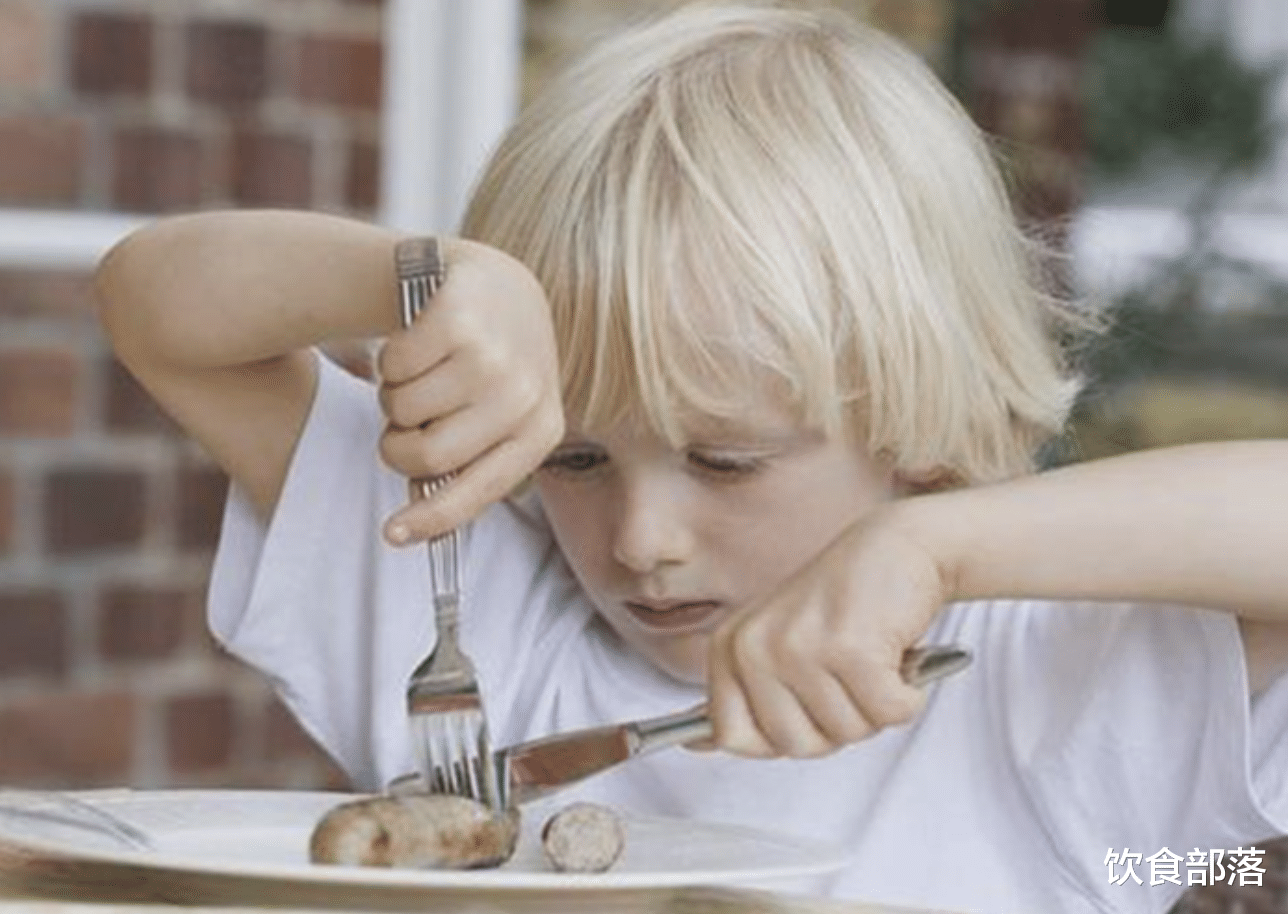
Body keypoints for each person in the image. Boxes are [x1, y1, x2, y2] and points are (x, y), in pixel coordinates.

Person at [94, 3, 1288, 911]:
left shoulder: (1038, 672)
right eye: (573, 459)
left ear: (913, 426)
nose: (639, 539)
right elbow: (159, 310)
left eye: (724, 459)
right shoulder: (474, 609)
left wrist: (933, 546)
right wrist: (420, 279)